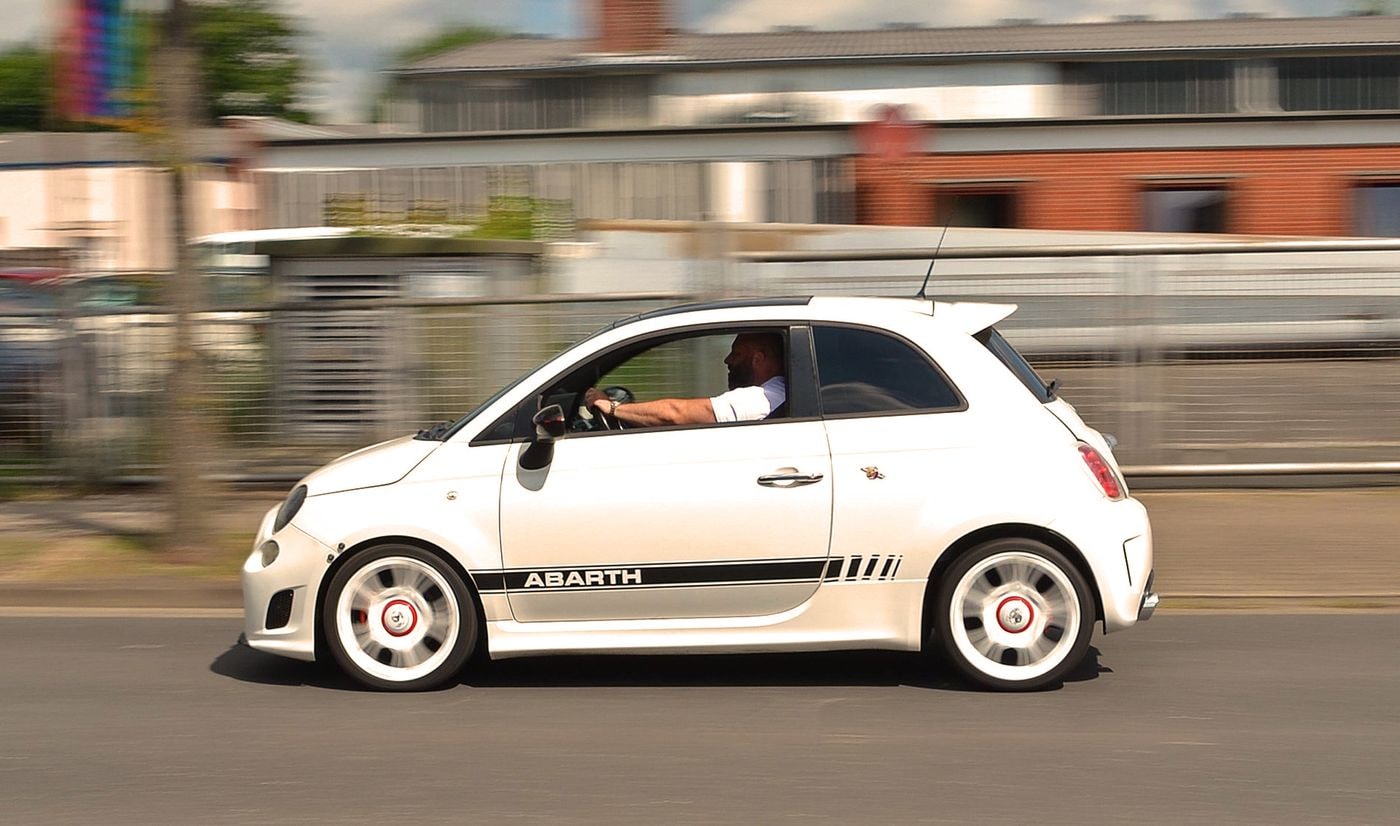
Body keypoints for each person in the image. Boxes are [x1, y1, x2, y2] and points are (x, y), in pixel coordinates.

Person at [584, 332, 785, 428]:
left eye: (736, 354)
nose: (727, 360)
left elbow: (674, 414)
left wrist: (613, 408)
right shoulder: (780, 393)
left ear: (758, 359)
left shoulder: (760, 399)